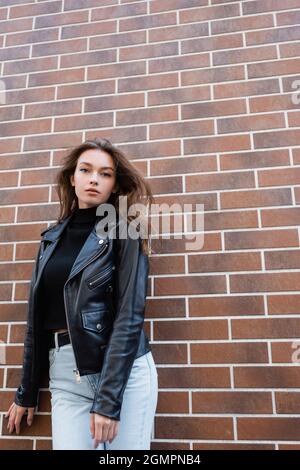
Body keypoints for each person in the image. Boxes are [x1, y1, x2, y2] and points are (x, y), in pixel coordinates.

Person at [5, 137, 158, 450]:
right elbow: (36, 321)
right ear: (72, 178)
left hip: (122, 376)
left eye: (105, 173)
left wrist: (109, 402)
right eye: (86, 170)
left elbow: (129, 315)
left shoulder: (125, 230)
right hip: (66, 373)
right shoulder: (50, 240)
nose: (93, 179)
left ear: (115, 185)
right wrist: (27, 391)